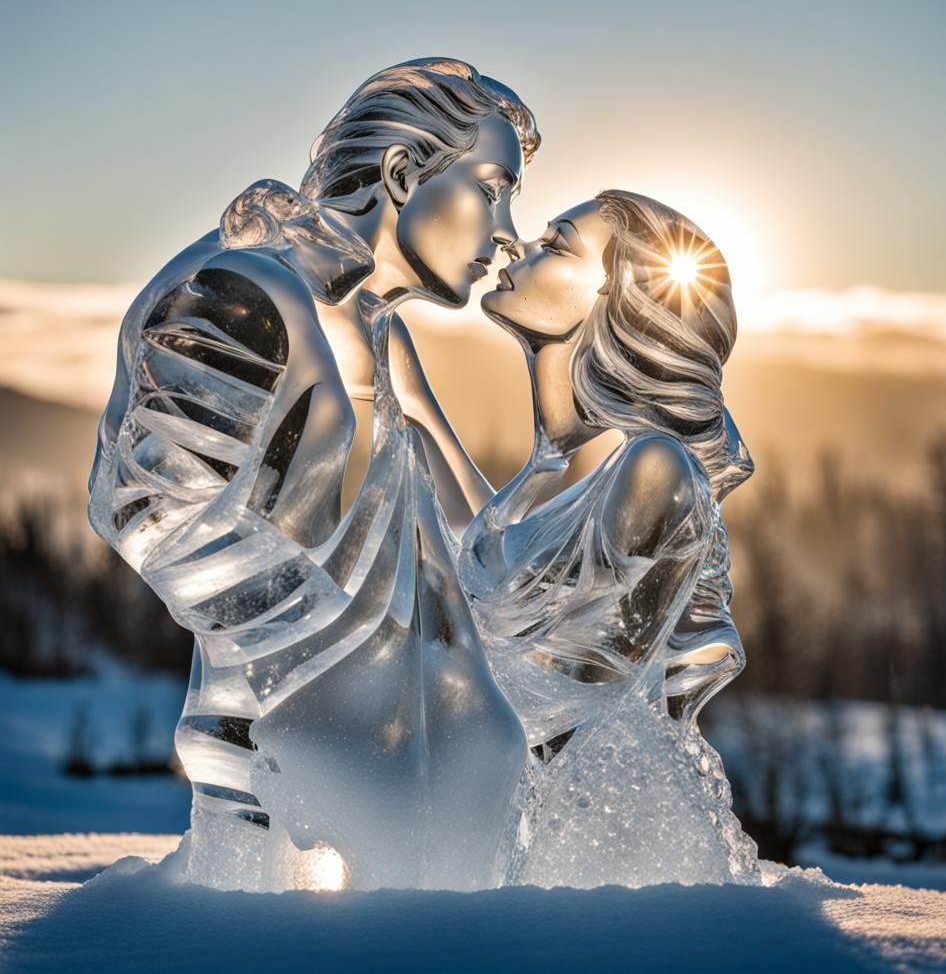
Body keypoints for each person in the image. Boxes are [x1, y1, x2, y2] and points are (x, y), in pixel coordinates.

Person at [88, 59, 538, 891]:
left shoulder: (380, 337)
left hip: (399, 780)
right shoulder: (242, 291)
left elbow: (482, 544)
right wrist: (326, 659)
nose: (509, 232)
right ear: (401, 173)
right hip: (281, 773)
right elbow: (147, 505)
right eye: (492, 190)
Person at [459, 190, 759, 886]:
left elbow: (571, 688)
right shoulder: (560, 481)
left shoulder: (657, 471)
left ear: (616, 296)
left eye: (555, 244)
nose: (516, 248)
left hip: (595, 839)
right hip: (529, 814)